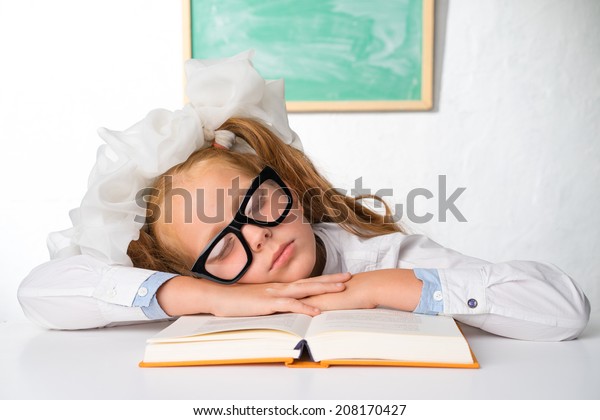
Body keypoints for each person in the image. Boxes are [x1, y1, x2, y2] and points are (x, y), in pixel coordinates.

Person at [18, 52, 590, 341]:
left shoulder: (379, 258)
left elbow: (562, 311)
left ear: (285, 186)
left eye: (257, 204)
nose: (259, 235)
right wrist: (205, 298)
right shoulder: (194, 288)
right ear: (197, 271)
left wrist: (374, 289)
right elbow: (38, 294)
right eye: (221, 249)